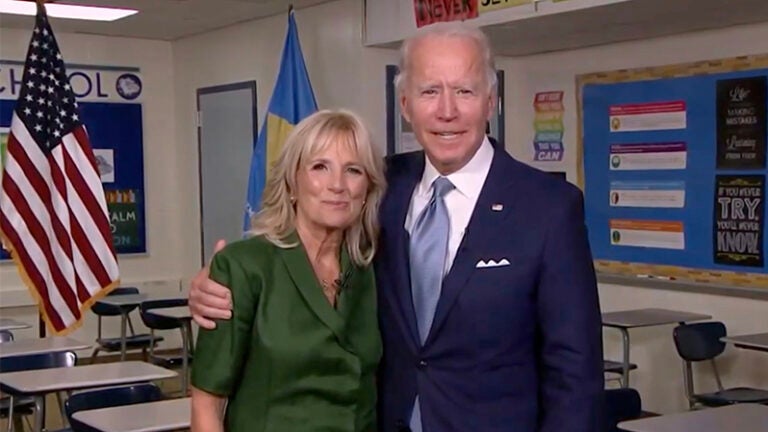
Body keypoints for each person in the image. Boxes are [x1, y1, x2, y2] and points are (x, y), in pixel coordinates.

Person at [190, 23, 604, 432]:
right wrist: (212, 290)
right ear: (405, 105)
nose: (447, 110)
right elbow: (292, 263)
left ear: (491, 101)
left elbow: (574, 372)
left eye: (464, 90)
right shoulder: (379, 189)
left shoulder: (548, 207)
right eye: (429, 91)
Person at [190, 109, 386, 432]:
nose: (337, 185)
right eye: (320, 167)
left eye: (353, 170)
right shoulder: (243, 267)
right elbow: (205, 405)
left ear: (366, 191)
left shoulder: (370, 269)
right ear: (292, 182)